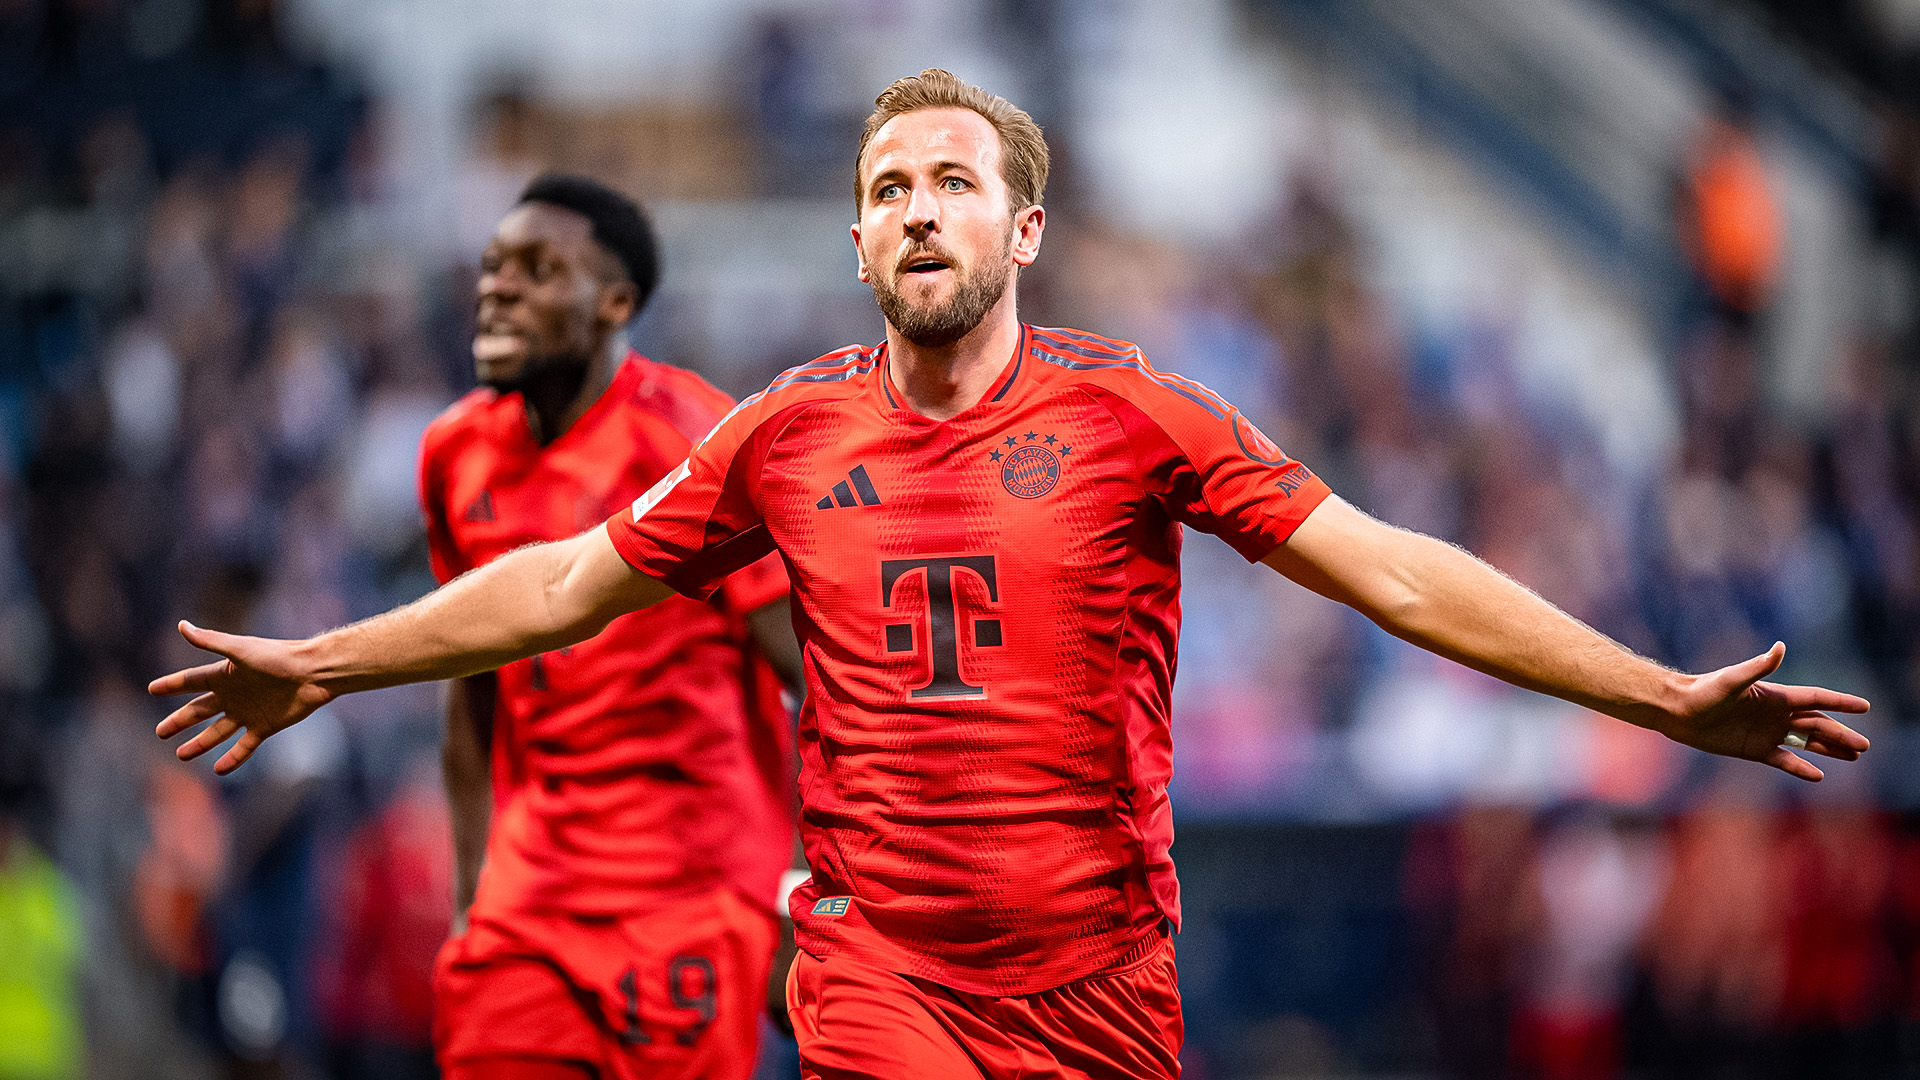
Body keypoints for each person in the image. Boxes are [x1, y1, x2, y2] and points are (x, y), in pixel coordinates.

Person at [151, 71, 1871, 1080]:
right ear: (854, 237)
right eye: (886, 188)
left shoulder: (1136, 414)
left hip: (1108, 985)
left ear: (1021, 230)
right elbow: (560, 587)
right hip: (878, 967)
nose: (916, 211)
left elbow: (1397, 578)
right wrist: (325, 659)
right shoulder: (787, 436)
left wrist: (1657, 697)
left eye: (952, 184)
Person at [419, 174, 803, 1080]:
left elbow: (819, 675)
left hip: (689, 900)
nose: (498, 286)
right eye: (493, 265)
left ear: (614, 304)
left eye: (540, 269)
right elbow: (467, 676)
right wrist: (471, 889)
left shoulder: (697, 443)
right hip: (528, 904)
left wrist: (812, 884)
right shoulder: (453, 452)